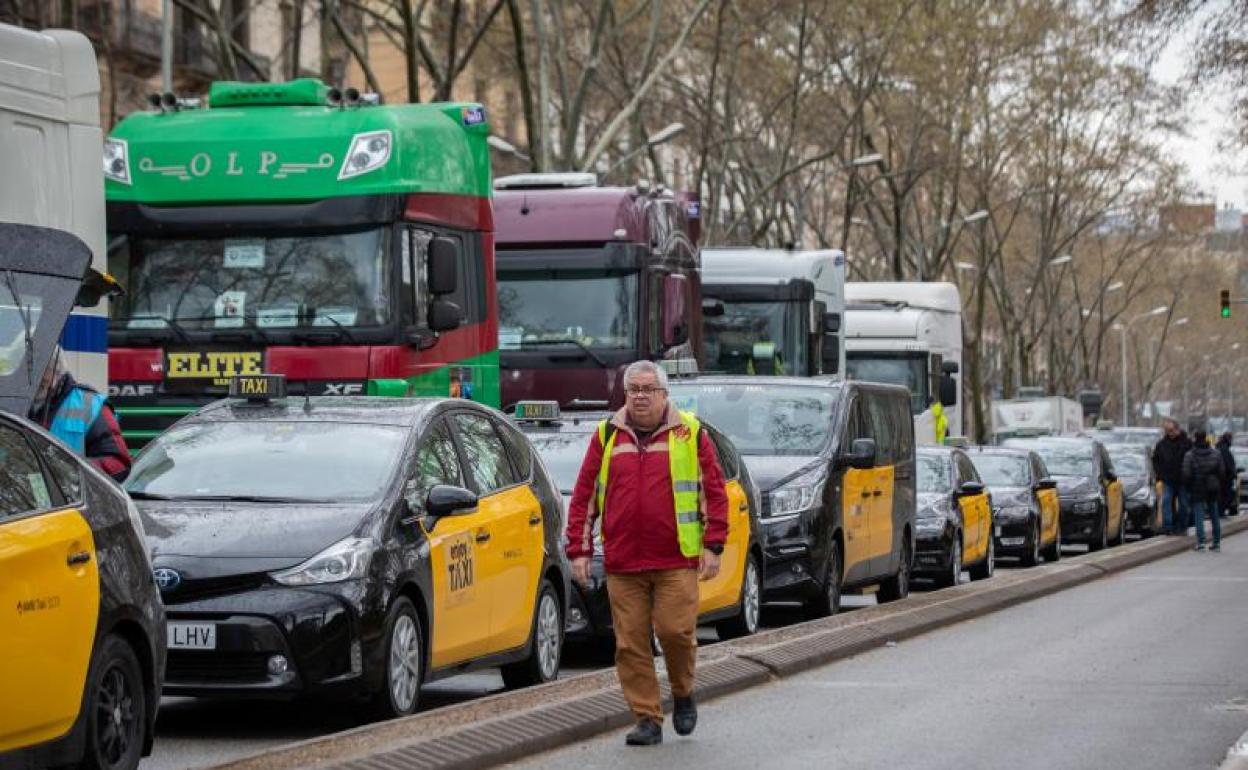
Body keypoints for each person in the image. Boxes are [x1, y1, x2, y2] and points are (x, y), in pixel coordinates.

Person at [565, 360, 729, 746]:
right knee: (630, 644)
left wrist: (713, 544)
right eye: (634, 390)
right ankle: (647, 718)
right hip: (623, 562)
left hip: (676, 558)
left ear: (664, 394)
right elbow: (584, 496)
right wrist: (579, 550)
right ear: (626, 394)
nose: (640, 397)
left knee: (675, 632)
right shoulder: (607, 435)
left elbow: (713, 491)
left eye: (648, 390)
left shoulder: (690, 433)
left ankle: (683, 691)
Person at [28, 347, 132, 482]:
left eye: (40, 371)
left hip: (73, 493)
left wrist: (71, 472)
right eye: (29, 371)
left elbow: (118, 463)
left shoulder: (90, 405)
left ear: (56, 370)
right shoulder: (14, 403)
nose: (33, 378)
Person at [1182, 429, 1223, 552]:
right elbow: (1222, 471)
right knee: (1214, 515)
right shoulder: (1216, 453)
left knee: (1199, 516)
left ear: (1195, 438)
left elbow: (1186, 473)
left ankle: (1201, 543)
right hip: (1212, 487)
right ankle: (1216, 542)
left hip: (1197, 487)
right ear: (1206, 438)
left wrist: (1188, 486)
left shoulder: (1190, 455)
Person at [1152, 419, 1190, 535]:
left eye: (1172, 430)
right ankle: (1168, 526)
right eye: (1167, 431)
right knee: (1167, 501)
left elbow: (1191, 459)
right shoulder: (1162, 444)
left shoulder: (1186, 443)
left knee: (1183, 504)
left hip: (1183, 479)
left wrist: (1189, 474)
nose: (1170, 433)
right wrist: (1160, 474)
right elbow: (1156, 460)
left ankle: (1182, 526)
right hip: (1168, 479)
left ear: (1177, 429)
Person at [1217, 432, 1237, 518]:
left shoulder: (1220, 448)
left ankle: (1221, 512)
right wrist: (1233, 474)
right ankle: (1221, 512)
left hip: (1222, 477)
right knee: (1226, 496)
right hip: (1226, 478)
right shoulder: (1224, 449)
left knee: (1223, 496)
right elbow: (1228, 464)